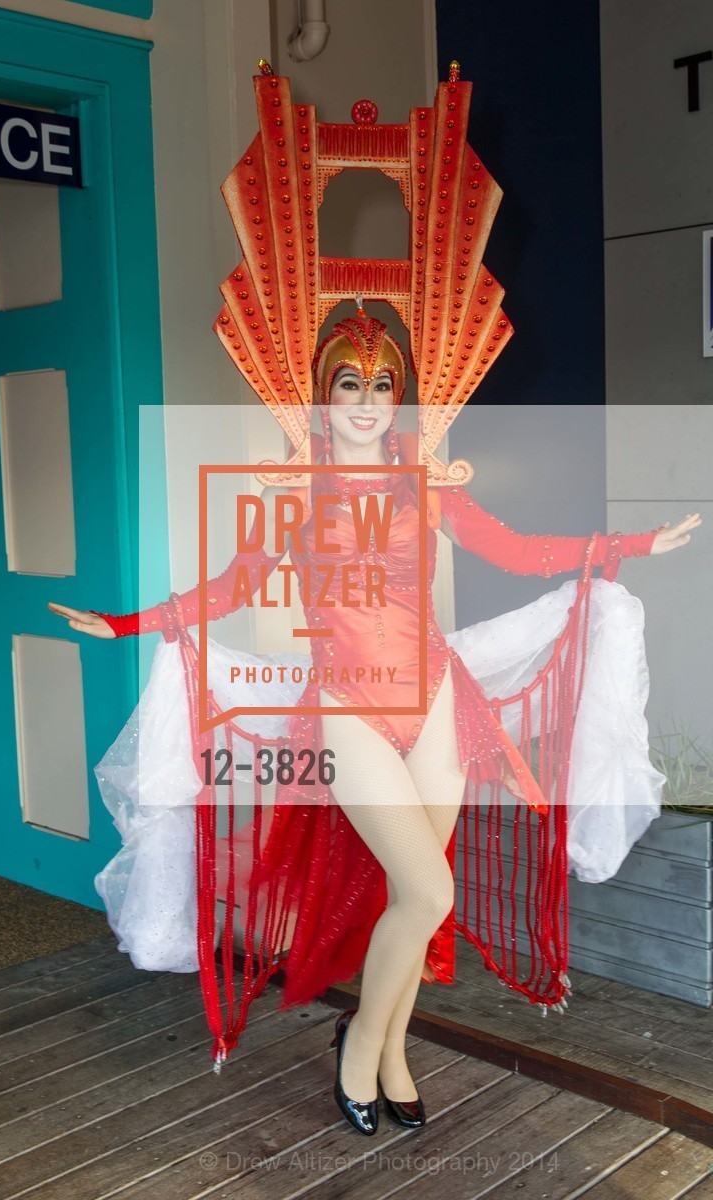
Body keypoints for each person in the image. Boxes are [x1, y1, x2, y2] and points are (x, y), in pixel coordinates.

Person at [48, 309, 700, 1136]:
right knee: (432, 887)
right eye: (349, 384)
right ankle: (360, 1045)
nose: (367, 401)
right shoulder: (291, 492)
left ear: (402, 397)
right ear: (323, 398)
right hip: (348, 708)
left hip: (434, 700)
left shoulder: (426, 485)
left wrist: (634, 542)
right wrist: (130, 621)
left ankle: (391, 1056)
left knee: (416, 898)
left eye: (382, 384)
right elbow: (233, 590)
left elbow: (518, 550)